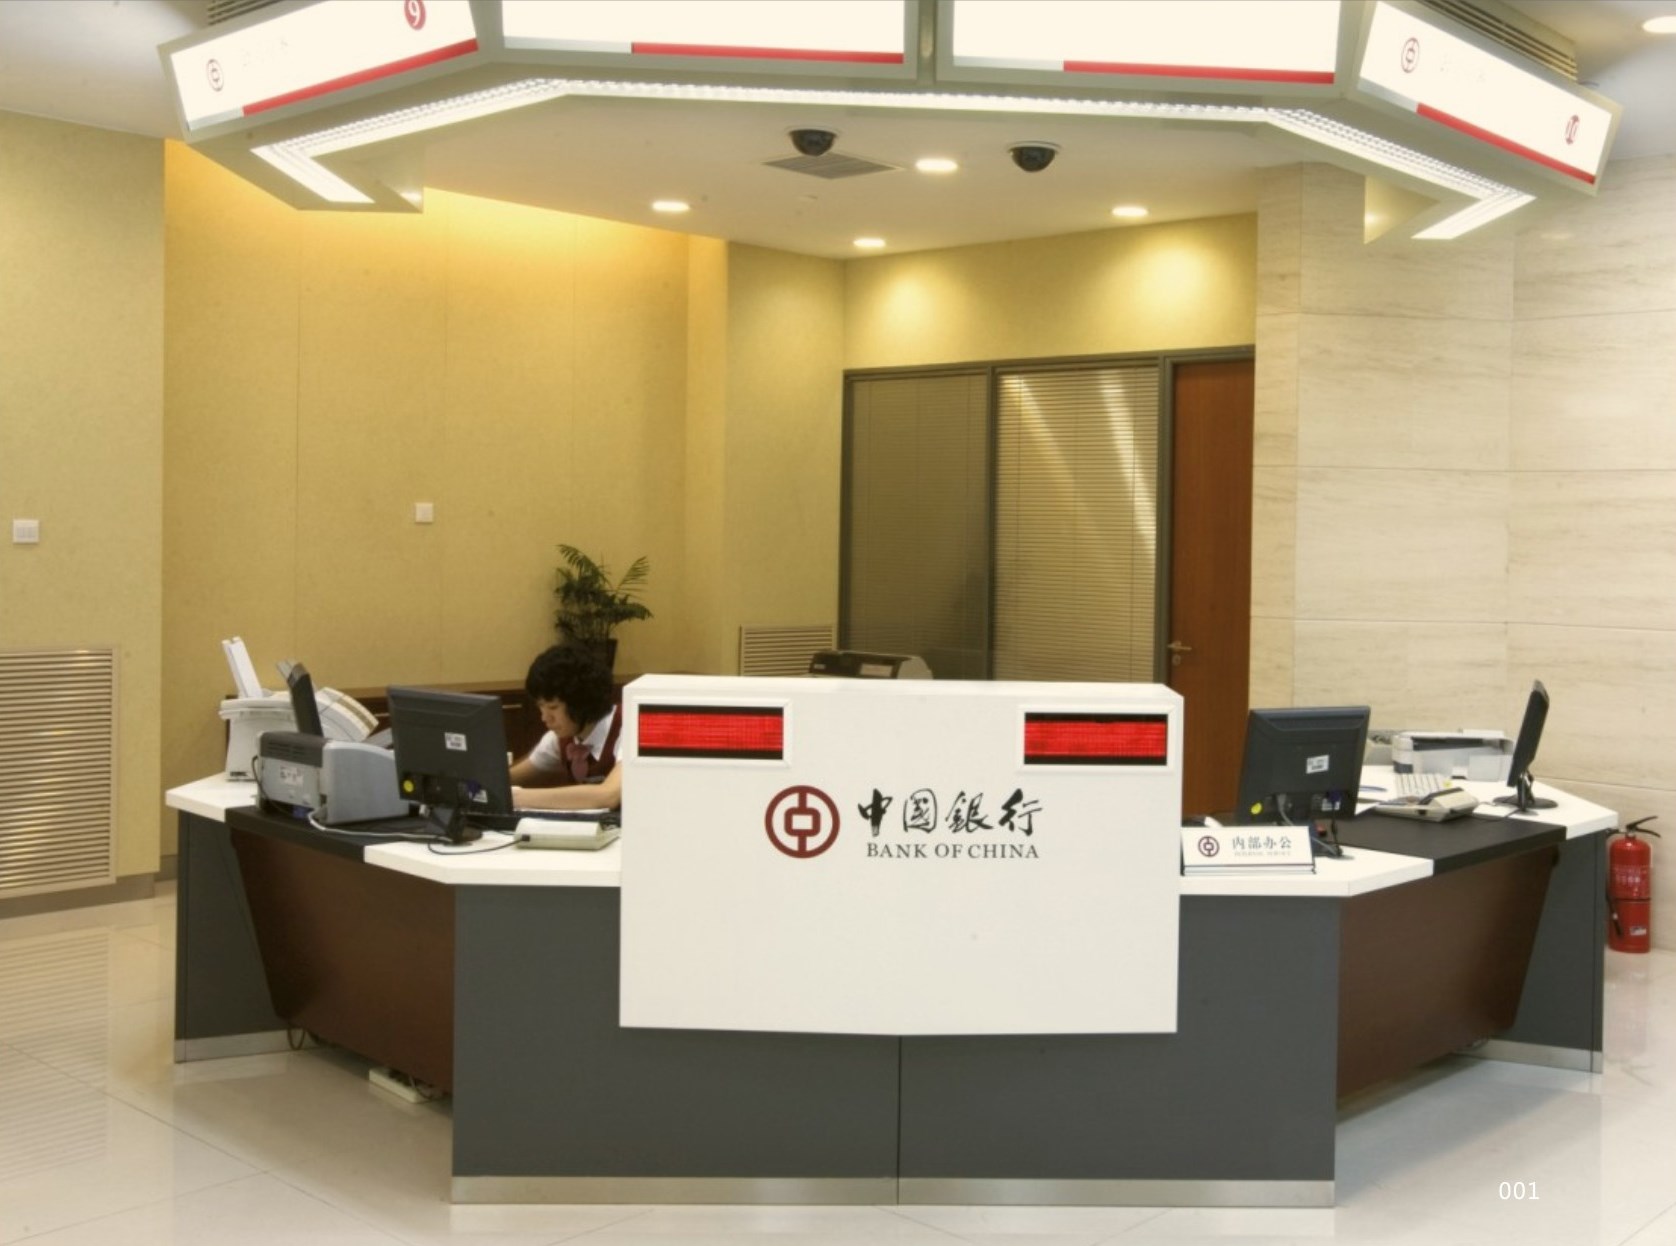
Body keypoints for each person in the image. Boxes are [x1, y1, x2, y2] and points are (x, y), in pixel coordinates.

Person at [509, 644, 623, 811]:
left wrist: (518, 797)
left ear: (581, 702)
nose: (544, 718)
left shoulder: (628, 728)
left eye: (553, 707)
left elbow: (608, 795)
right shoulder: (559, 738)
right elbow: (509, 778)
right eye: (541, 707)